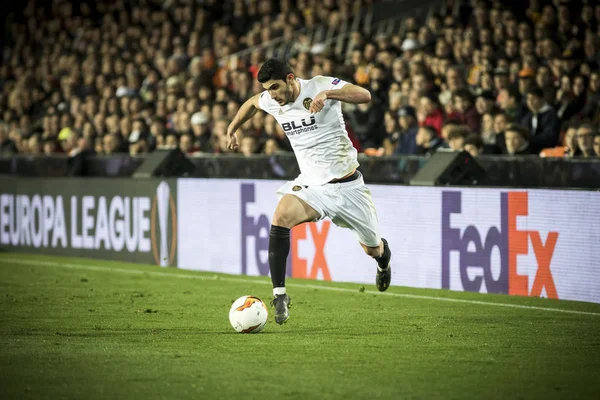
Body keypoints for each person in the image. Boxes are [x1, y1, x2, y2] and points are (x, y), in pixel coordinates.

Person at [226, 58, 392, 325]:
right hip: (312, 185)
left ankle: (383, 260)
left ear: (291, 79)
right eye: (268, 89)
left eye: (276, 87)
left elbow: (365, 95)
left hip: (348, 186)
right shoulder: (271, 100)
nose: (272, 95)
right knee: (280, 217)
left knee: (372, 248)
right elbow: (251, 104)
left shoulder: (319, 85)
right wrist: (233, 128)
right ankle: (279, 294)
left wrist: (328, 93)